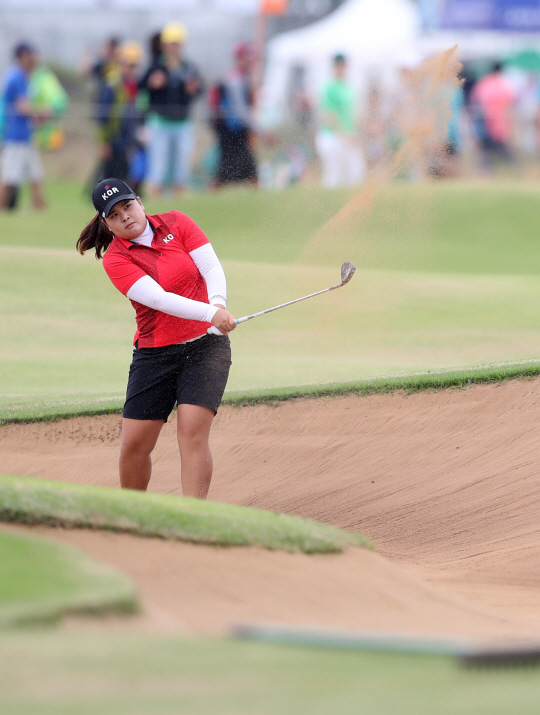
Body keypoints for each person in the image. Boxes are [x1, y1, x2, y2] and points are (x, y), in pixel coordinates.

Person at [76, 178, 235, 497]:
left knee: (192, 434)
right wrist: (210, 314)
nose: (125, 216)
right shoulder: (116, 259)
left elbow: (211, 267)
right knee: (135, 445)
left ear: (140, 201)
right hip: (155, 354)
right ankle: (135, 516)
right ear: (106, 224)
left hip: (207, 347)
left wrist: (218, 305)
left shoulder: (178, 221)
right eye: (114, 215)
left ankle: (192, 518)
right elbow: (158, 298)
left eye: (127, 206)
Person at [139, 22, 203, 195]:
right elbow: (141, 89)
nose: (173, 48)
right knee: (158, 165)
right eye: (170, 43)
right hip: (159, 122)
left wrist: (194, 89)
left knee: (181, 166)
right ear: (164, 45)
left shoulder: (189, 67)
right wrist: (151, 84)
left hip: (182, 123)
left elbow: (200, 89)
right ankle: (157, 201)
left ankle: (178, 200)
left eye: (177, 44)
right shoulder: (155, 67)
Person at [0, 42, 46, 210]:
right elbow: (22, 107)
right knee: (9, 178)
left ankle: (40, 209)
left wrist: (37, 117)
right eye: (30, 55)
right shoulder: (16, 76)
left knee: (36, 175)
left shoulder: (25, 77)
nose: (34, 59)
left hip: (26, 136)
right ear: (22, 57)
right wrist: (41, 112)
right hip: (15, 137)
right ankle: (2, 211)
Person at [95, 41, 144, 190]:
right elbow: (102, 116)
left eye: (134, 65)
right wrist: (103, 142)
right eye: (128, 64)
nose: (131, 68)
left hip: (127, 139)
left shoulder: (133, 84)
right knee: (109, 179)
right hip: (113, 138)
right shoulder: (112, 83)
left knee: (124, 177)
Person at [210, 42, 258, 187]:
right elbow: (241, 110)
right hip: (229, 129)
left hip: (237, 129)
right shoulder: (234, 80)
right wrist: (259, 129)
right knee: (227, 168)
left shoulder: (242, 78)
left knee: (246, 167)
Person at [315, 54, 365, 189]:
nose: (341, 68)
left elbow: (352, 114)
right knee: (334, 174)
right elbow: (328, 114)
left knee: (355, 173)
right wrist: (343, 134)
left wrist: (355, 133)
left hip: (349, 135)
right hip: (333, 135)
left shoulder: (348, 87)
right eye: (338, 65)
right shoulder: (329, 87)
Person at [470, 61, 516, 169]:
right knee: (505, 153)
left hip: (485, 122)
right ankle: (512, 173)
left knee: (485, 155)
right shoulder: (504, 84)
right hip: (501, 123)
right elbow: (510, 104)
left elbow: (476, 102)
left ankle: (486, 176)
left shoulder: (483, 83)